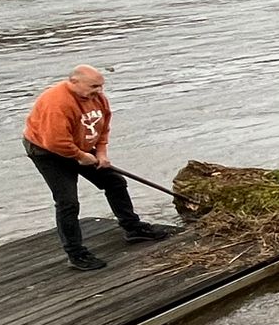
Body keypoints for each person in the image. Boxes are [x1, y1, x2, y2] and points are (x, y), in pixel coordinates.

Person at [23, 65, 173, 270]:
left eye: (101, 86)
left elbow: (103, 127)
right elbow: (55, 142)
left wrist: (100, 153)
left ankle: (133, 228)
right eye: (94, 86)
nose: (99, 91)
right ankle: (76, 254)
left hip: (79, 146)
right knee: (68, 202)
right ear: (74, 82)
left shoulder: (96, 98)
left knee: (115, 182)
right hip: (48, 153)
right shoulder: (56, 103)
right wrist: (81, 156)